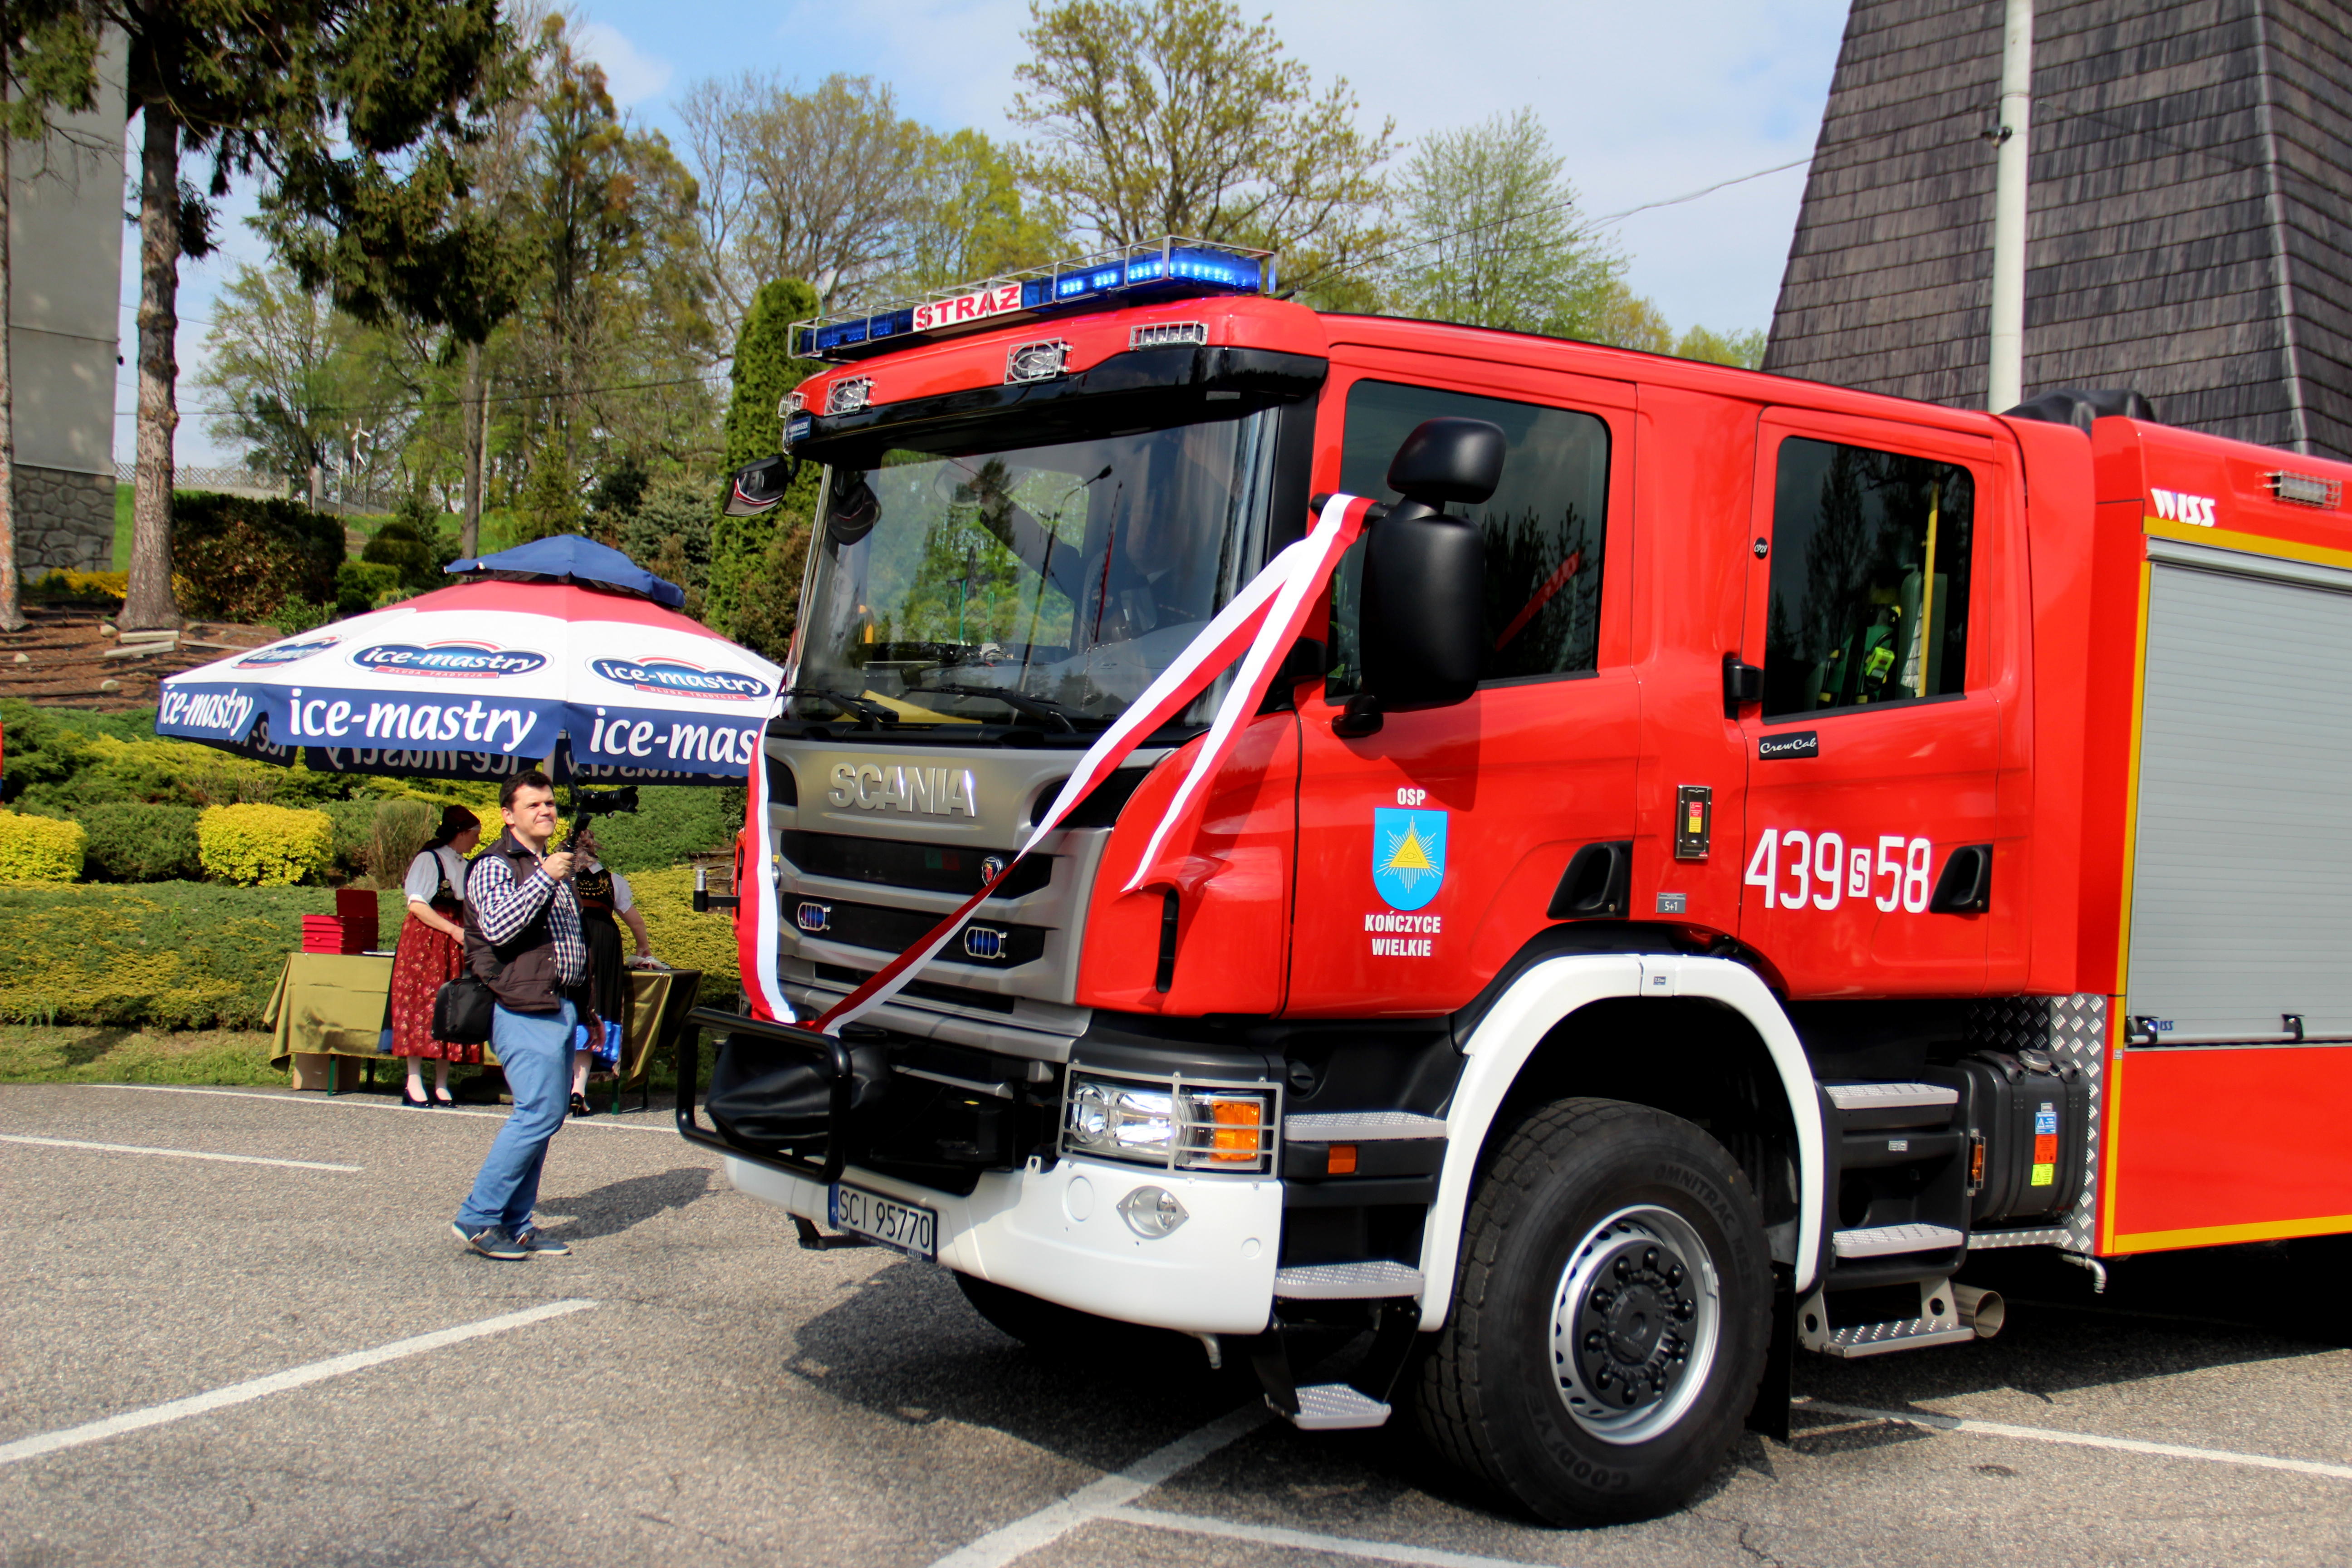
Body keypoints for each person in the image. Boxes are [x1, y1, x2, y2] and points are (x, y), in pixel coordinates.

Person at [451, 770, 593, 1261]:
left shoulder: (548, 864)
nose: (546, 811)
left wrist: (587, 1008)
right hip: (521, 1006)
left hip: (559, 1003)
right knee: (536, 1113)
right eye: (533, 805)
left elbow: (568, 943)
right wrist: (546, 877)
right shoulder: (495, 865)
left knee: (548, 1115)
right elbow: (498, 928)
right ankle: (478, 1217)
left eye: (550, 803)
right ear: (508, 816)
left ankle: (516, 1223)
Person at [389, 805, 484, 1107]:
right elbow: (417, 905)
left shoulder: (465, 864)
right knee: (419, 1003)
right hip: (427, 940)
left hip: (455, 939)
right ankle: (414, 1081)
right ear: (461, 833)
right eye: (475, 834)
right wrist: (453, 930)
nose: (477, 841)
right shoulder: (429, 860)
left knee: (450, 1006)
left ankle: (442, 1083)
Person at [569, 843, 656, 1117]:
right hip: (604, 943)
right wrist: (644, 949)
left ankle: (557, 1089)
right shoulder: (612, 881)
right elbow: (635, 922)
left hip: (570, 941)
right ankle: (579, 1090)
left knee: (569, 1006)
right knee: (595, 1008)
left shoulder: (561, 878)